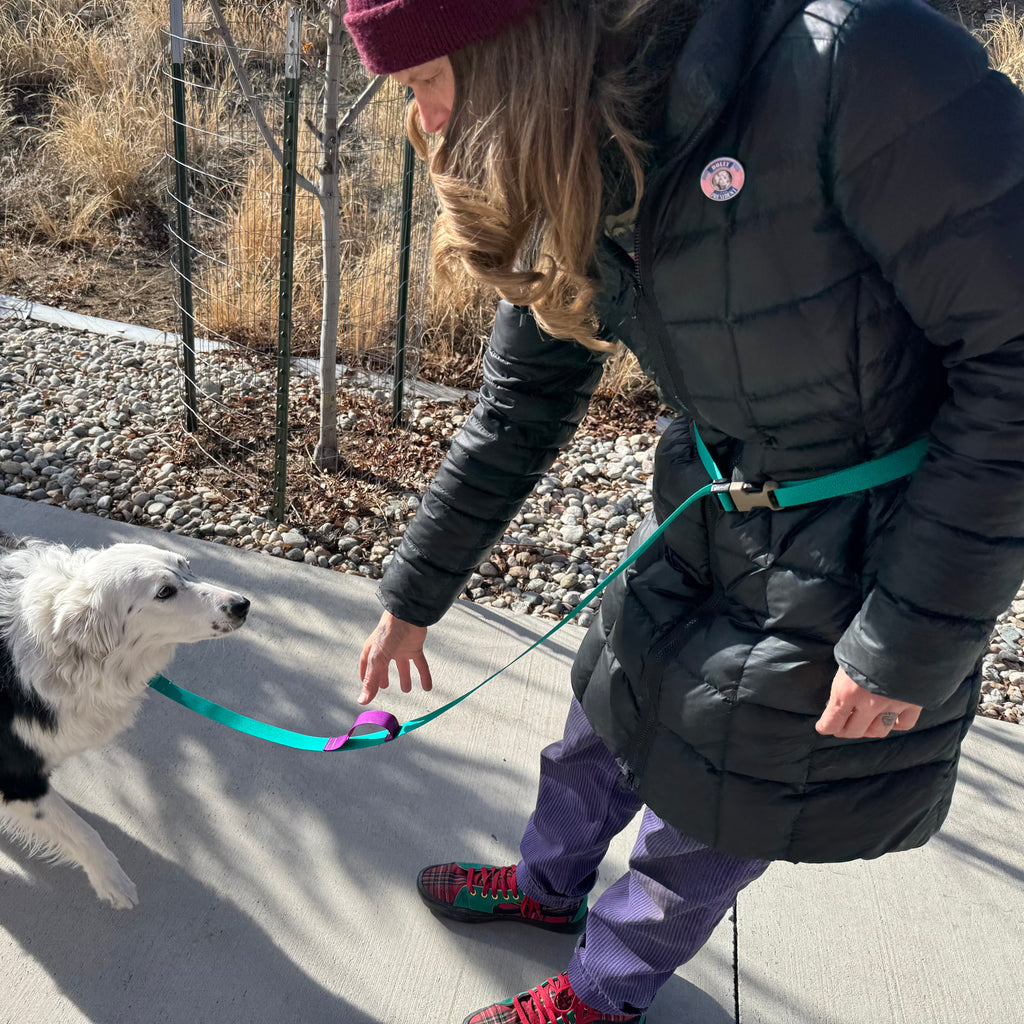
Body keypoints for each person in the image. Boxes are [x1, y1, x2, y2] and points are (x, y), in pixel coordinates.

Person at [343, 1, 1024, 1021]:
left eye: (427, 82)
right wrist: (415, 588)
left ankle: (601, 992)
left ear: (515, 46)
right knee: (602, 711)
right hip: (711, 493)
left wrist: (912, 636)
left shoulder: (853, 61)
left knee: (713, 812)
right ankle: (544, 888)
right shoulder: (575, 132)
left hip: (872, 541)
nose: (431, 123)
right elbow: (522, 397)